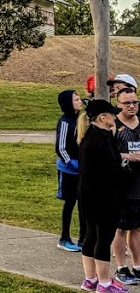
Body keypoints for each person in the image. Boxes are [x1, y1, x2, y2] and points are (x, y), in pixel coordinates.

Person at [78, 99, 131, 293]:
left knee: (91, 234)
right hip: (104, 196)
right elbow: (112, 168)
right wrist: (125, 169)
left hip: (87, 194)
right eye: (111, 114)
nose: (115, 117)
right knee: (104, 236)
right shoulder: (102, 138)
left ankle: (90, 278)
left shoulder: (88, 136)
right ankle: (105, 282)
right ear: (102, 117)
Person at [113, 84, 140, 284]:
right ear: (118, 103)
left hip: (138, 185)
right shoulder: (114, 125)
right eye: (127, 103)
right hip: (121, 184)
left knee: (137, 227)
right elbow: (107, 154)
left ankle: (138, 266)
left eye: (134, 102)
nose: (131, 106)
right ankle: (121, 267)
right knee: (121, 227)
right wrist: (130, 157)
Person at [54, 89, 84, 251]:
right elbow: (60, 147)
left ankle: (83, 239)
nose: (80, 101)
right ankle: (64, 238)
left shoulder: (80, 119)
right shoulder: (65, 121)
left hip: (81, 169)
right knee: (70, 202)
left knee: (83, 204)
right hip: (68, 170)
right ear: (68, 103)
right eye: (76, 99)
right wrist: (72, 163)